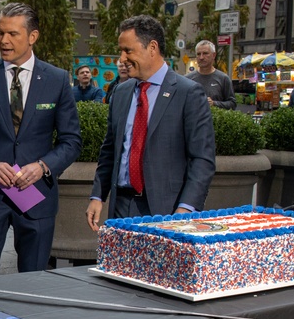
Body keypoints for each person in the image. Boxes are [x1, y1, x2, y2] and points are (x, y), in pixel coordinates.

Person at [0, 2, 81, 276]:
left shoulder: (57, 80)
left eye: (12, 34)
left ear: (32, 37)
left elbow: (71, 141)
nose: (4, 41)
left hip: (36, 199)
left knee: (33, 284)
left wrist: (43, 166)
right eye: (0, 33)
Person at [86, 15, 216, 226]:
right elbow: (109, 150)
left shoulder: (188, 93)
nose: (122, 58)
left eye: (128, 50)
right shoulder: (120, 92)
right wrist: (98, 196)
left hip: (167, 211)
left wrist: (186, 208)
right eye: (121, 50)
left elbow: (202, 159)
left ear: (152, 47)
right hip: (121, 208)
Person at [186, 40, 237, 110]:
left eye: (205, 53)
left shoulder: (223, 79)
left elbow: (232, 104)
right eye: (198, 54)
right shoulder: (187, 79)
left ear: (214, 55)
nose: (201, 57)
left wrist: (214, 103)